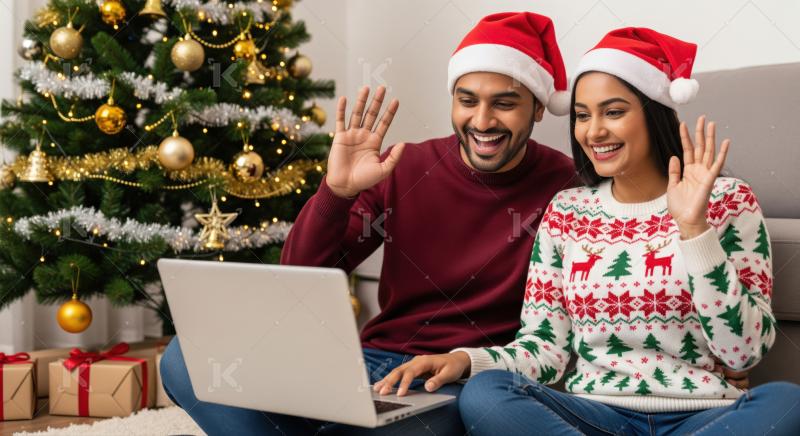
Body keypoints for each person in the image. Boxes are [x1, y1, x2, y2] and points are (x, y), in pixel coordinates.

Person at [160, 11, 577, 435]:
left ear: (539, 107)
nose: (483, 121)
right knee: (186, 356)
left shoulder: (566, 187)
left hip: (455, 380)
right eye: (467, 100)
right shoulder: (404, 165)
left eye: (504, 104)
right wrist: (335, 192)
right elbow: (299, 278)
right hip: (368, 360)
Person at [376, 27, 800, 435]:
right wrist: (466, 361)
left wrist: (694, 230)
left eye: (613, 112)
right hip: (595, 417)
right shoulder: (568, 209)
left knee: (788, 402)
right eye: (582, 116)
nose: (593, 131)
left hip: (704, 416)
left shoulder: (728, 200)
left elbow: (743, 352)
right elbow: (545, 348)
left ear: (653, 115)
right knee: (486, 394)